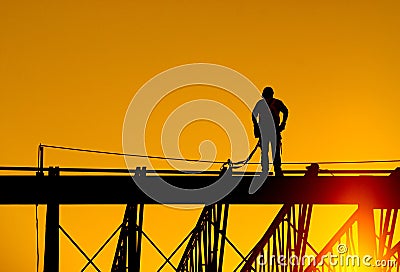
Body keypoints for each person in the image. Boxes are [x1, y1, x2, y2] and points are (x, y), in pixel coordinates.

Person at [252, 86, 288, 176]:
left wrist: (256, 127)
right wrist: (283, 123)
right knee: (273, 151)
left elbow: (253, 115)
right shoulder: (274, 103)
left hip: (267, 131)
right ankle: (276, 169)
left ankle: (266, 170)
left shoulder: (262, 104)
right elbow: (286, 111)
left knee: (266, 151)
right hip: (272, 131)